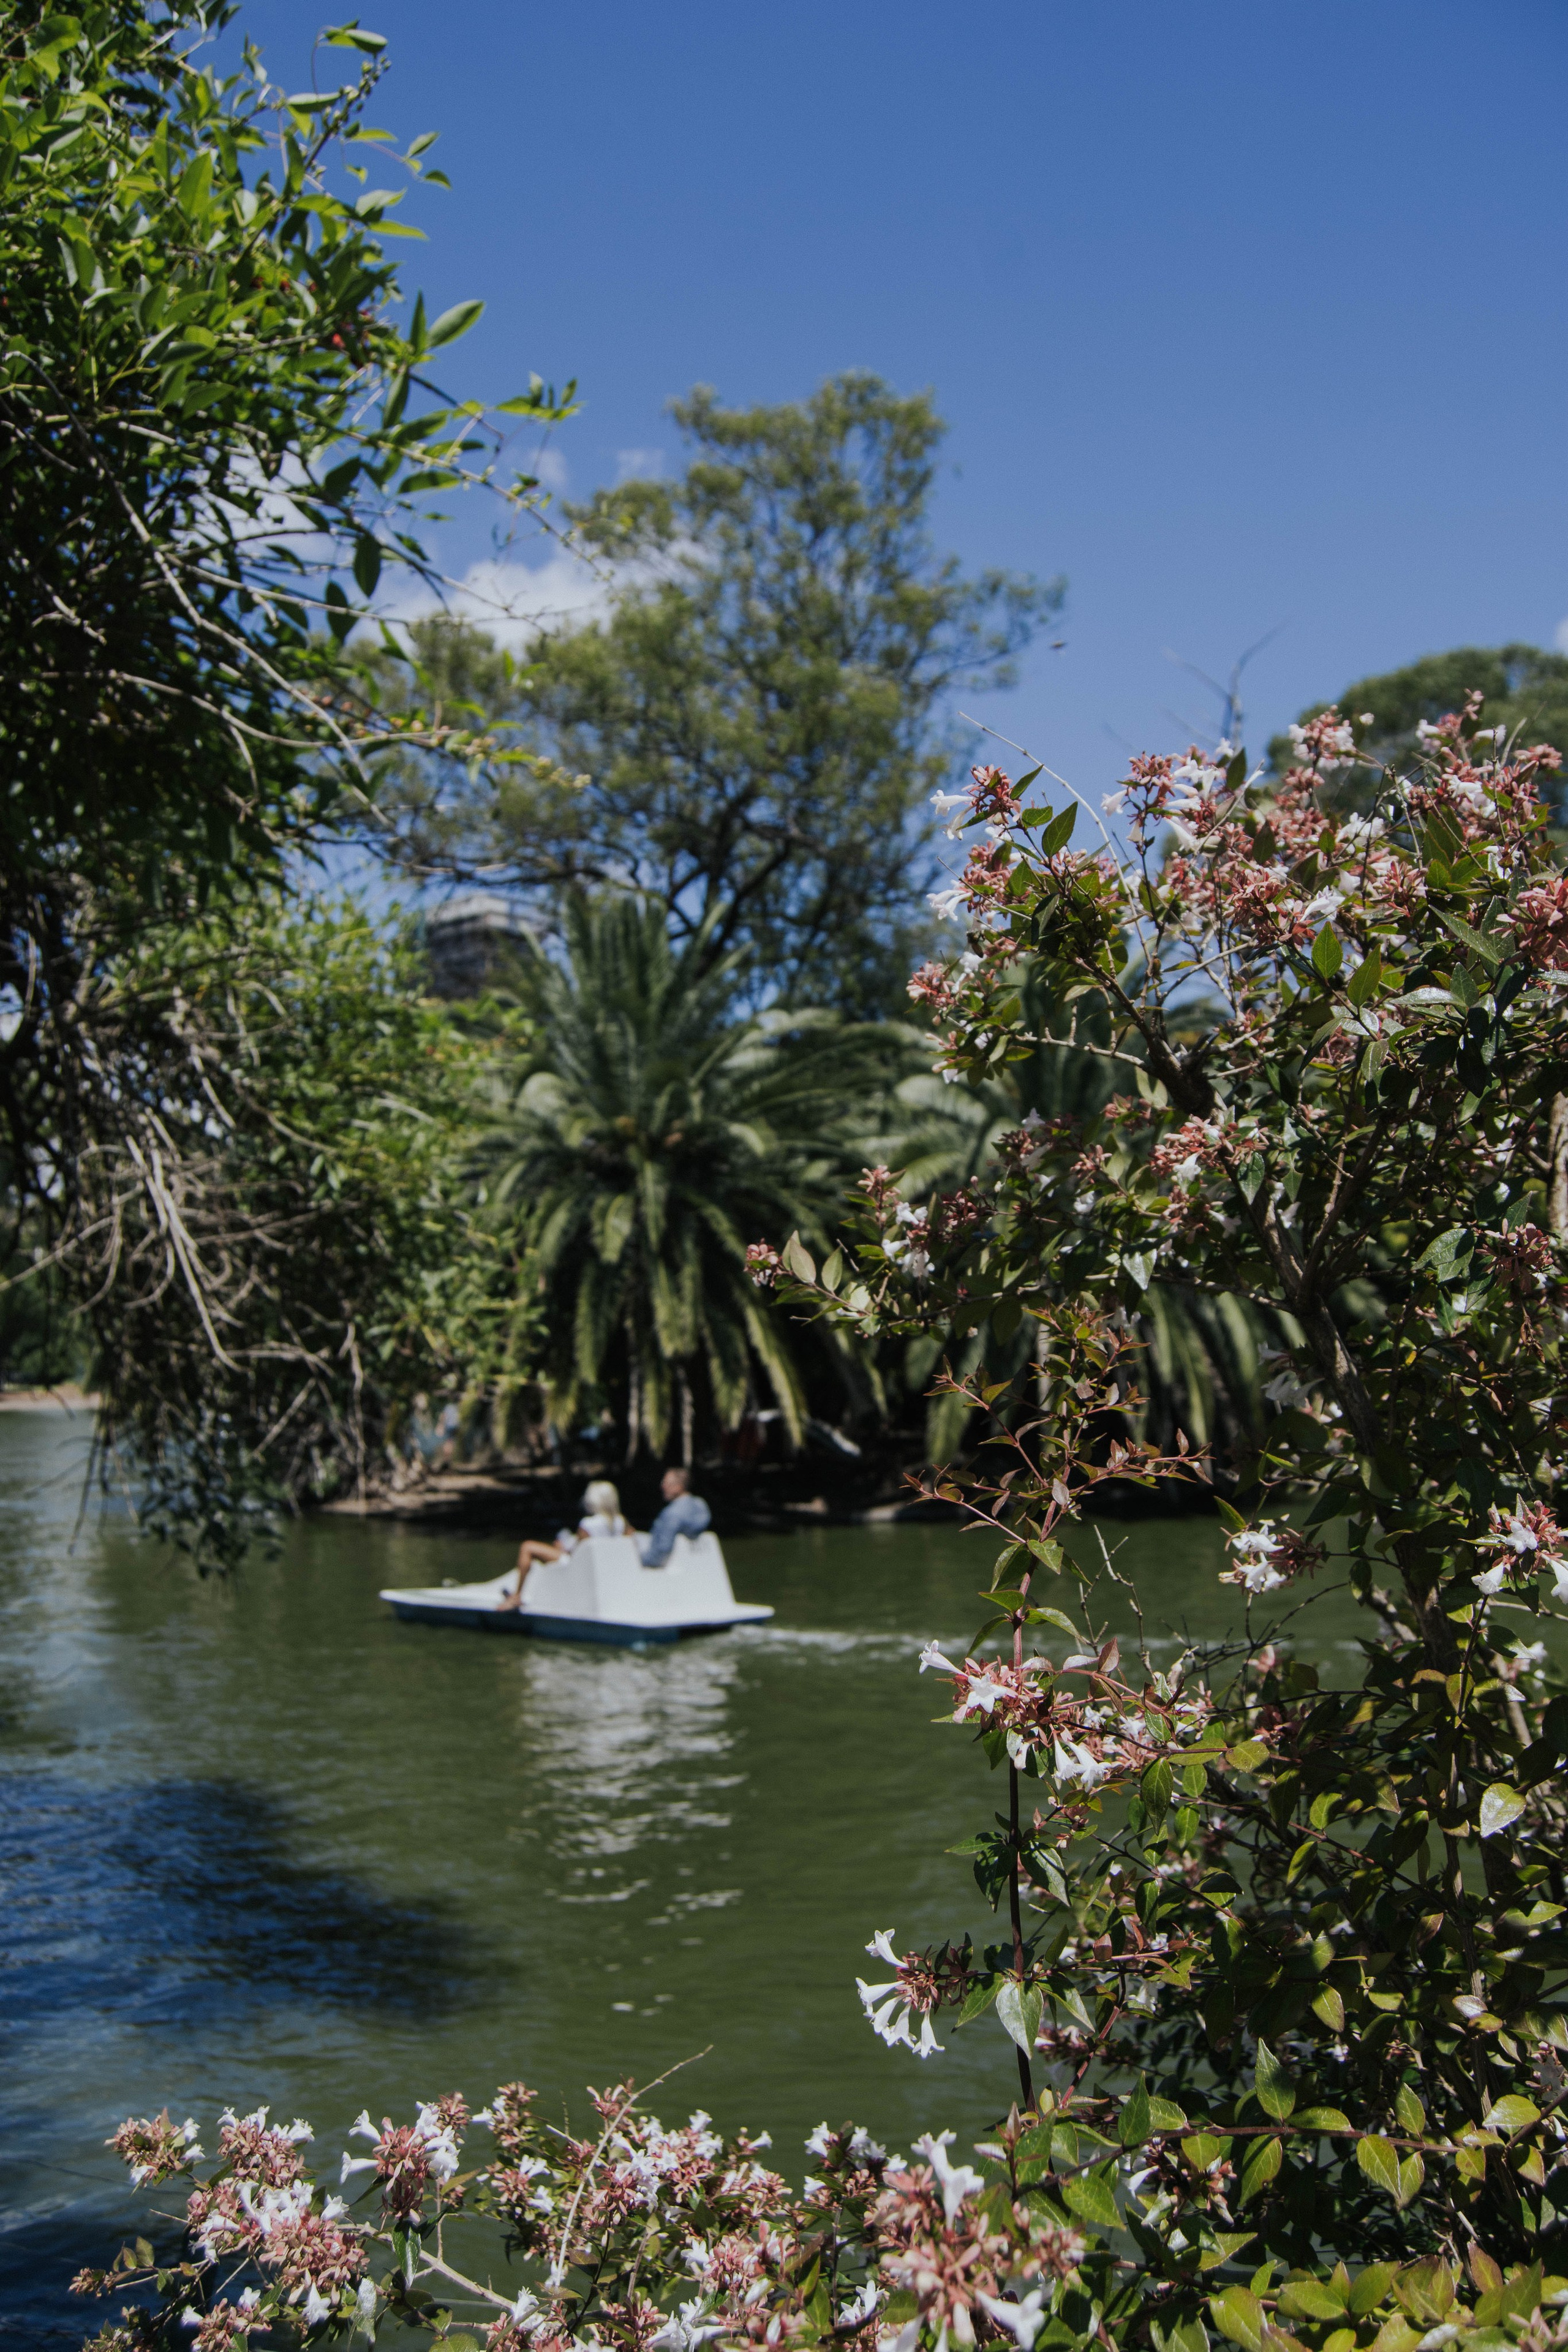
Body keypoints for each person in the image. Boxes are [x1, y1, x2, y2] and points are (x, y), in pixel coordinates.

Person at [496, 1480, 627, 1611]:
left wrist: (561, 1550)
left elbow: (578, 1555)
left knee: (528, 1547)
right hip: (604, 1568)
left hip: (579, 1568)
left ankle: (517, 1596)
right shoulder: (622, 1522)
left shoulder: (588, 1524)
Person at [635, 1466, 711, 1569]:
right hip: (696, 1566)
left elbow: (662, 1550)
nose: (662, 1486)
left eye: (666, 1483)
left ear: (679, 1487)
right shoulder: (700, 1506)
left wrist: (639, 1561)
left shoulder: (672, 1514)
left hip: (667, 1570)